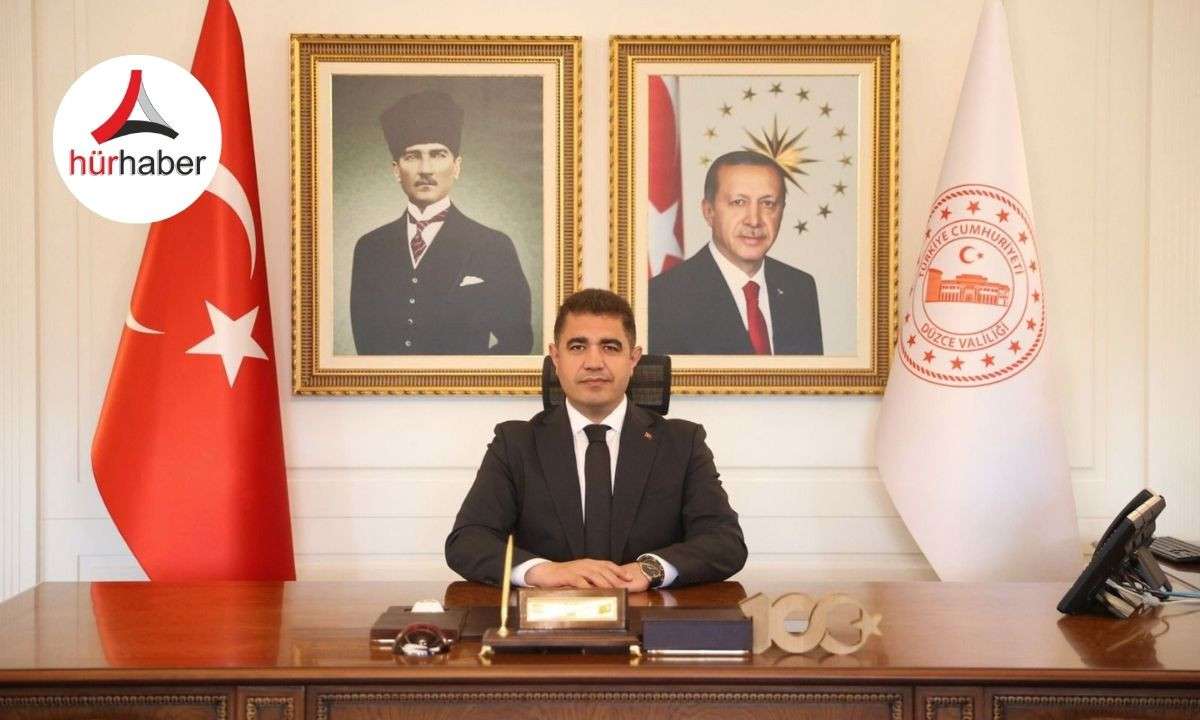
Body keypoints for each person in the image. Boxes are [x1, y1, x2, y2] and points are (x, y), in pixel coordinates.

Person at [445, 289, 747, 589]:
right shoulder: (516, 444)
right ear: (556, 357)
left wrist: (649, 569)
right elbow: (468, 541)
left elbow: (725, 541)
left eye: (610, 347)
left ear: (633, 359)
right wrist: (545, 572)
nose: (593, 362)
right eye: (577, 347)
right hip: (550, 616)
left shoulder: (682, 443)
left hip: (651, 616)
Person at [350, 90, 532, 355]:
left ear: (456, 166)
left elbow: (518, 343)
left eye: (438, 154)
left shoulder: (493, 246)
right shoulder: (370, 248)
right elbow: (366, 348)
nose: (426, 169)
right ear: (396, 170)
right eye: (412, 156)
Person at [648, 150, 823, 355]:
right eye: (739, 202)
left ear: (782, 211)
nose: (754, 220)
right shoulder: (664, 297)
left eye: (768, 204)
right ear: (709, 212)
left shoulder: (799, 288)